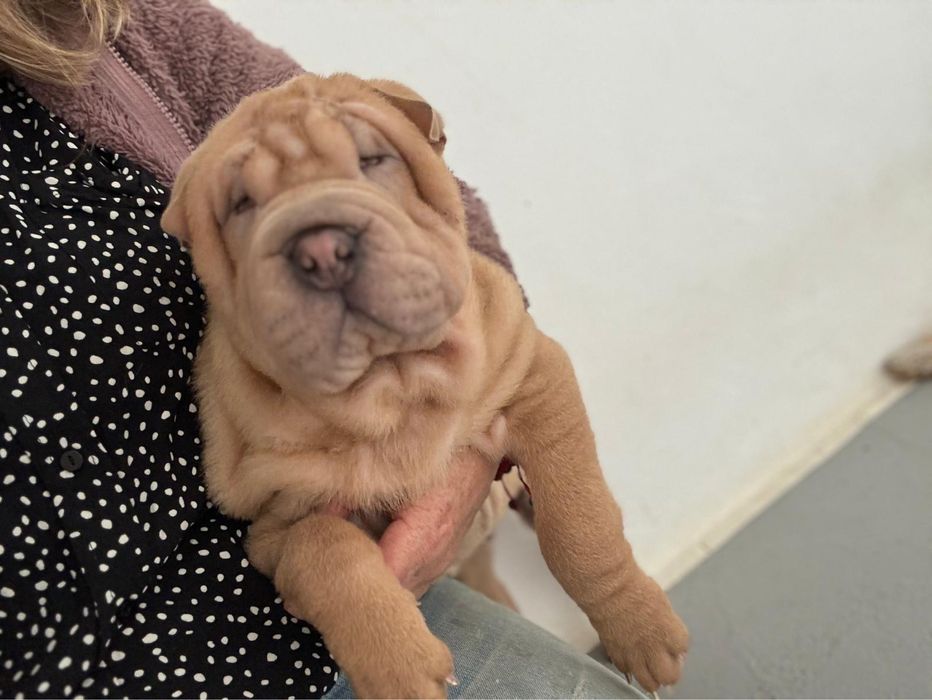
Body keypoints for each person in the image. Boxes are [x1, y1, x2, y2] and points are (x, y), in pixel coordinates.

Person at [0, 1, 645, 697]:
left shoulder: (98, 22)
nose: (324, 247)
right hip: (245, 600)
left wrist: (506, 485)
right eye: (243, 207)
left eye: (366, 162)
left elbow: (441, 220)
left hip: (303, 593)